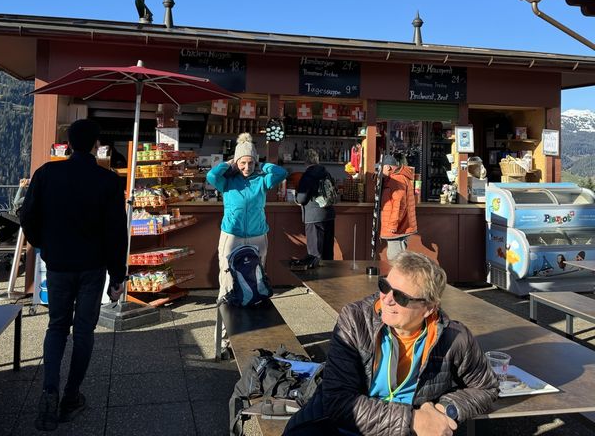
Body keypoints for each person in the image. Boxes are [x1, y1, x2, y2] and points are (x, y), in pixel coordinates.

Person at [284, 251, 499, 436]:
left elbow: (486, 387)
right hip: (343, 428)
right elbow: (339, 402)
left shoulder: (454, 338)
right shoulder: (355, 321)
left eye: (401, 297)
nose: (387, 299)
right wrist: (414, 420)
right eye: (384, 286)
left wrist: (445, 410)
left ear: (429, 308)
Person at [20, 119, 128, 432]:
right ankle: (71, 396)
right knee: (83, 331)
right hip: (93, 268)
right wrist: (117, 276)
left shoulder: (46, 173)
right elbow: (115, 233)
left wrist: (43, 243)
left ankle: (48, 391)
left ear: (68, 143)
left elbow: (26, 215)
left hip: (58, 265)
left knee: (56, 327)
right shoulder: (108, 181)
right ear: (97, 145)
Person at [206, 132, 287, 356]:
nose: (247, 167)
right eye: (243, 162)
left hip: (257, 236)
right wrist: (229, 163)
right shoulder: (227, 181)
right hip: (231, 236)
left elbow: (281, 172)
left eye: (251, 162)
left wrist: (263, 166)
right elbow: (212, 175)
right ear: (237, 162)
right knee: (227, 283)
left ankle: (252, 337)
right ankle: (223, 342)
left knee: (256, 281)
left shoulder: (261, 180)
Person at [292, 148, 335, 269]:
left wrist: (295, 198)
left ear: (305, 162)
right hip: (329, 215)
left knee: (315, 253)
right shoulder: (326, 172)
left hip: (314, 217)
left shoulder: (308, 175)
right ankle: (330, 281)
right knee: (327, 252)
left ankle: (316, 283)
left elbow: (302, 199)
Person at [380, 153, 417, 260]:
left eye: (381, 168)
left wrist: (393, 225)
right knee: (396, 255)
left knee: (395, 257)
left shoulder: (396, 180)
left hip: (398, 228)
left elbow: (399, 204)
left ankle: (398, 276)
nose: (379, 171)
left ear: (388, 167)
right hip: (400, 226)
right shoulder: (395, 178)